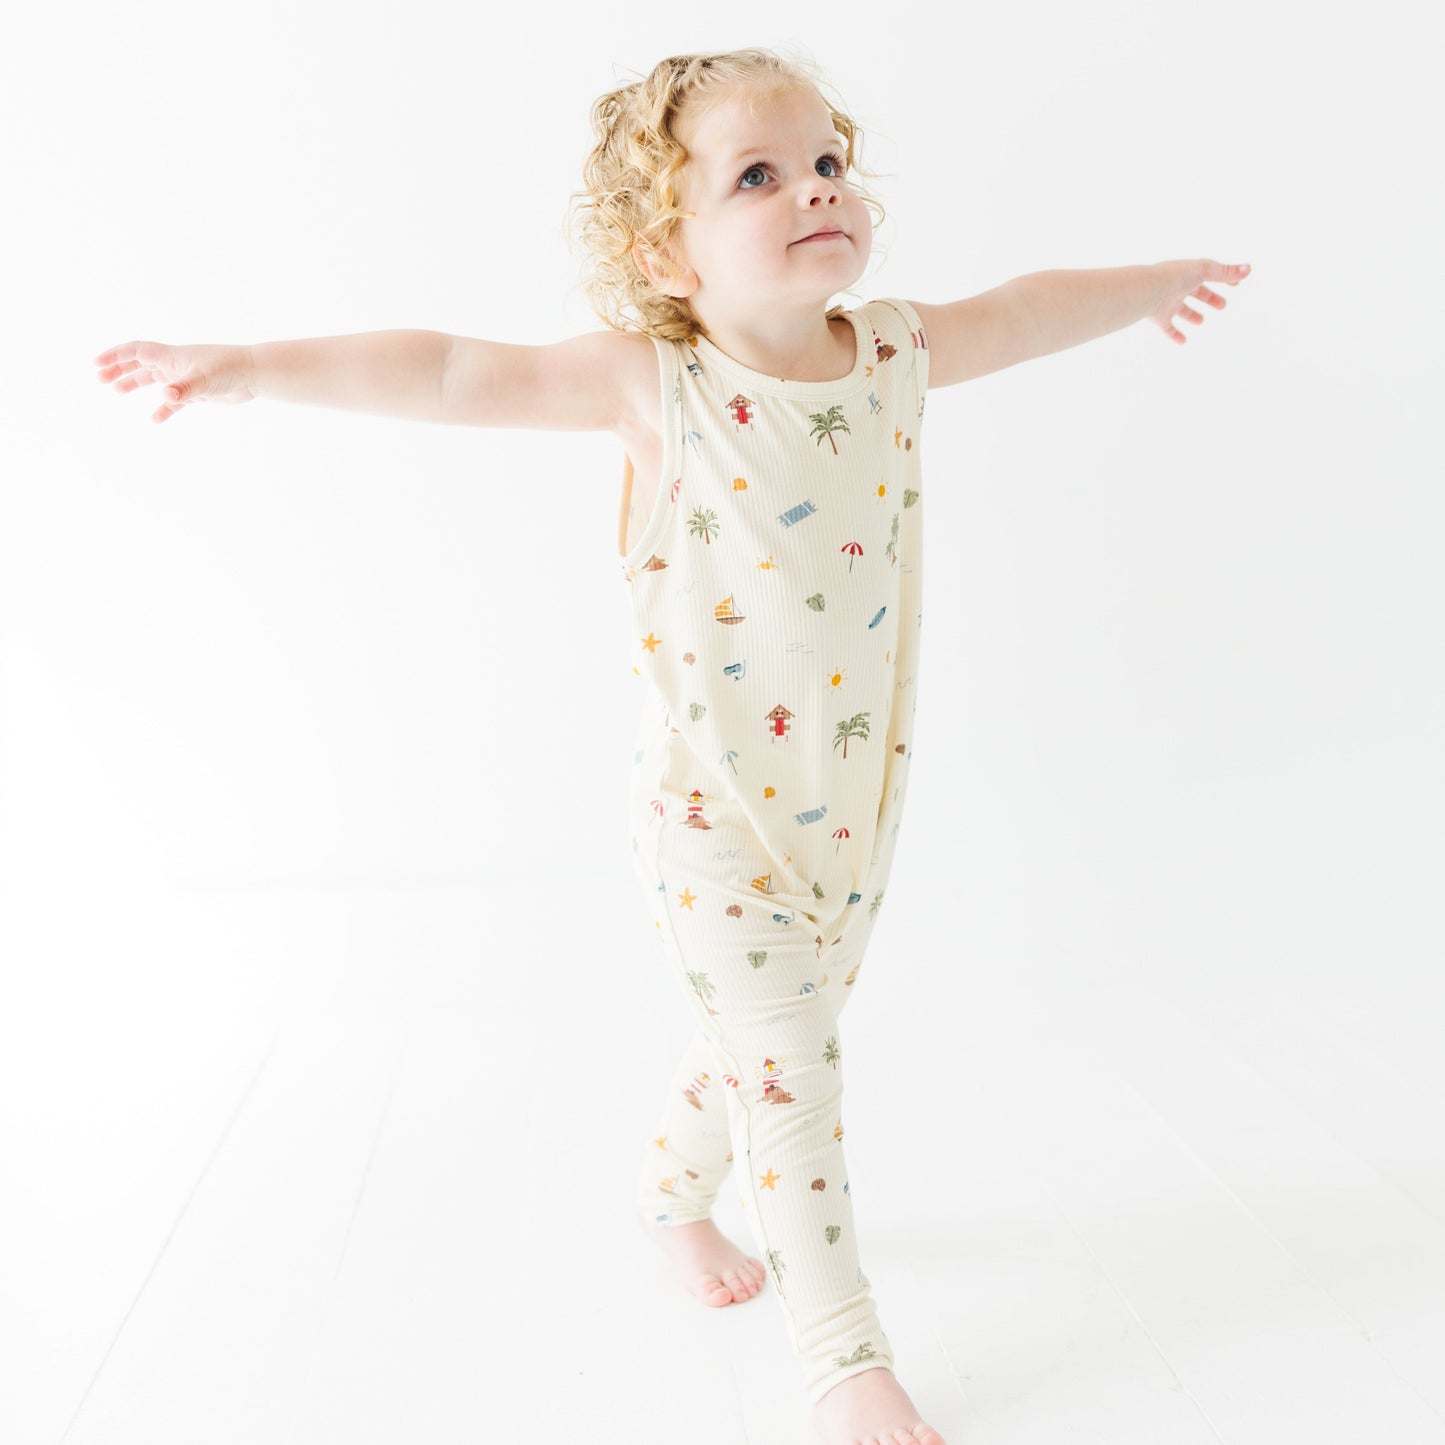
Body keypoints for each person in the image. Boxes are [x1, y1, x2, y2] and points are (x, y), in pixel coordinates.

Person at [92, 46, 1250, 1445]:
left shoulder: (894, 353)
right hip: (708, 823)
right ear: (667, 252)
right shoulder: (658, 385)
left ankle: (667, 1195)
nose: (814, 189)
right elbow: (452, 369)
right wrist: (252, 368)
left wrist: (1153, 285)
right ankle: (842, 1355)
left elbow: (1022, 307)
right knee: (793, 1068)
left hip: (848, 809)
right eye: (757, 175)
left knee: (763, 1036)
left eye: (827, 162)